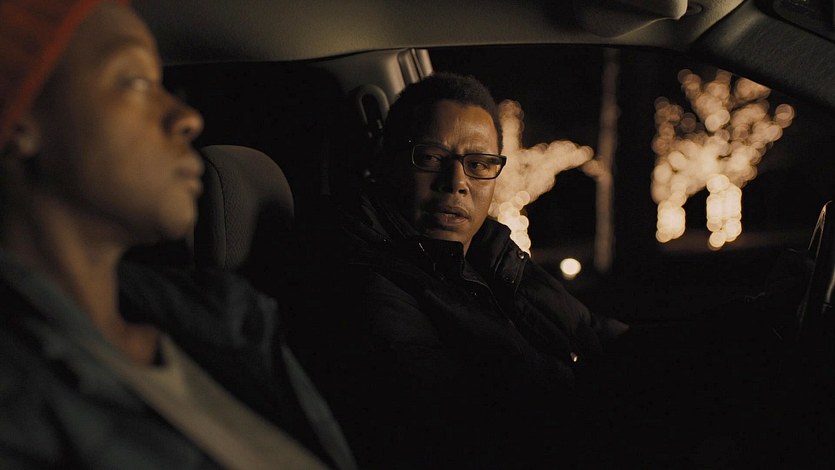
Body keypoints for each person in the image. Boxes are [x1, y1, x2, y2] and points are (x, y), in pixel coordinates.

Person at [0, 1, 355, 469]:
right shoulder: (16, 397)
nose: (188, 118)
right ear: (19, 122)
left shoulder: (228, 315)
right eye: (136, 81)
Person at [287, 72, 629, 469]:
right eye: (431, 158)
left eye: (479, 163)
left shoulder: (492, 253)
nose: (456, 182)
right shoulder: (363, 280)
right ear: (386, 161)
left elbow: (595, 332)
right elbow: (466, 427)